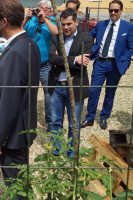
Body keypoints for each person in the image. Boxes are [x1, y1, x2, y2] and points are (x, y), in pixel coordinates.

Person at [0, 0, 40, 186]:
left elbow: (9, 101)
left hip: (12, 135)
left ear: (4, 21)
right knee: (19, 182)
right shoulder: (29, 44)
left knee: (16, 186)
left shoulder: (16, 51)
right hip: (21, 129)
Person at [81, 0, 133, 130]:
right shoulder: (100, 25)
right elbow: (87, 38)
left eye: (116, 10)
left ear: (121, 11)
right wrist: (91, 51)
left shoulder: (128, 27)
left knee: (110, 93)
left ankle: (104, 117)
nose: (113, 13)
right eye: (111, 10)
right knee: (93, 91)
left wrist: (125, 62)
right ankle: (90, 117)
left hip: (115, 65)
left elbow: (131, 47)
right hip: (100, 63)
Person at [48, 8, 93, 157]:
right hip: (57, 86)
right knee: (55, 121)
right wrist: (75, 59)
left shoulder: (86, 39)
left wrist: (60, 60)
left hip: (76, 86)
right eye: (63, 24)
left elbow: (84, 62)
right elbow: (51, 59)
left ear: (76, 23)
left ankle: (71, 151)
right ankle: (56, 149)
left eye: (69, 24)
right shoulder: (56, 38)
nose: (66, 27)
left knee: (74, 124)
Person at [23, 0, 58, 130]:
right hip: (30, 65)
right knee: (29, 93)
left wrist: (45, 19)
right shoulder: (31, 21)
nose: (41, 11)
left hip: (46, 65)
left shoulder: (52, 20)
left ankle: (50, 122)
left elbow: (57, 32)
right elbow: (18, 31)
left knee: (49, 95)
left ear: (49, 11)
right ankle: (28, 121)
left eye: (44, 9)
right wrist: (27, 18)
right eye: (39, 9)